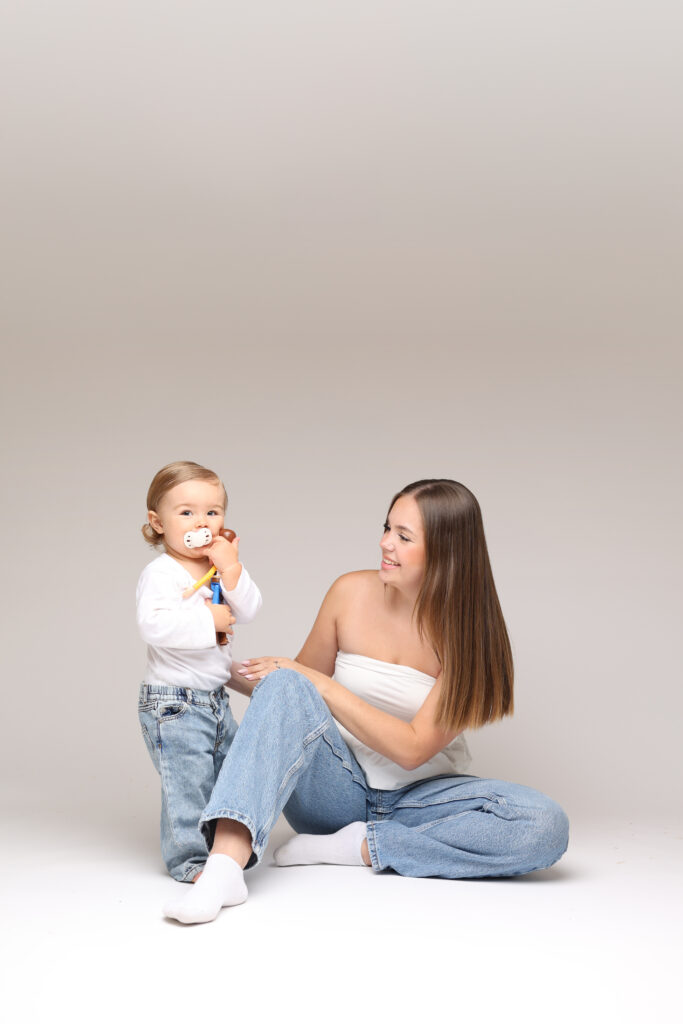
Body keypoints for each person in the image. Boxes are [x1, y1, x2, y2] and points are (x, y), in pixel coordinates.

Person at [163, 478, 569, 924]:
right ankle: (224, 868)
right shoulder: (349, 592)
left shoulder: (472, 636)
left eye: (404, 536)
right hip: (332, 792)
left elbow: (412, 749)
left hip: (420, 799)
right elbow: (290, 697)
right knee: (288, 684)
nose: (385, 543)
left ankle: (363, 847)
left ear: (446, 552)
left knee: (543, 824)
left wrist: (321, 684)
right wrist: (209, 666)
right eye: (387, 528)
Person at [137, 461, 262, 883]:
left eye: (213, 511)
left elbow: (249, 610)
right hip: (174, 702)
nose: (202, 522)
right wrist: (209, 619)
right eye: (187, 512)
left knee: (230, 774)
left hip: (213, 700)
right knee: (188, 785)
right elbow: (153, 625)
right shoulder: (161, 573)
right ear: (159, 523)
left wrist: (232, 568)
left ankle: (224, 847)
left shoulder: (217, 567)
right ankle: (189, 860)